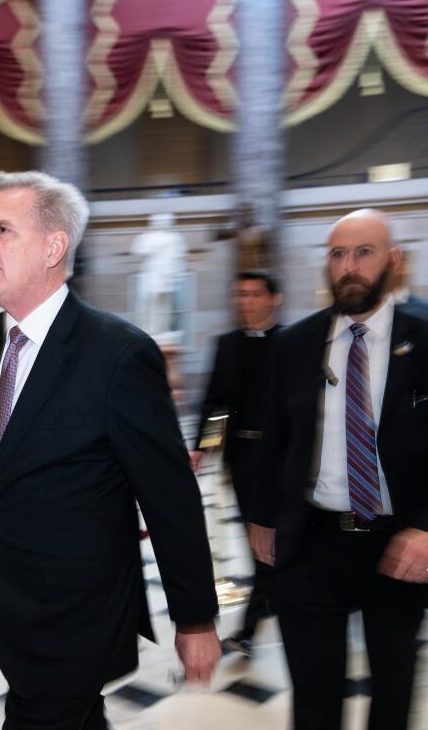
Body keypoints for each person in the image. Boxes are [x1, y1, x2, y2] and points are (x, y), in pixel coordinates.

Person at [0, 172, 220, 730]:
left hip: (77, 610)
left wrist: (195, 619)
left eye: (1, 230)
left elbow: (170, 498)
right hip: (0, 600)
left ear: (54, 247)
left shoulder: (119, 356)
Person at [248, 209, 428, 730]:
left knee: (392, 694)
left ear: (394, 262)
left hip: (396, 547)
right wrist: (261, 515)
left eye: (364, 253)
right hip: (310, 544)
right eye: (337, 254)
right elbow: (276, 440)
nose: (349, 267)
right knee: (313, 699)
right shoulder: (294, 346)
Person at [190, 271, 283, 655]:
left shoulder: (293, 343)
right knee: (259, 545)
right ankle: (252, 622)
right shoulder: (227, 345)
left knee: (279, 542)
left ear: (273, 299)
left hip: (283, 458)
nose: (244, 301)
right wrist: (204, 447)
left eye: (253, 294)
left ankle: (254, 621)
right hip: (243, 460)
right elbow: (215, 404)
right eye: (239, 294)